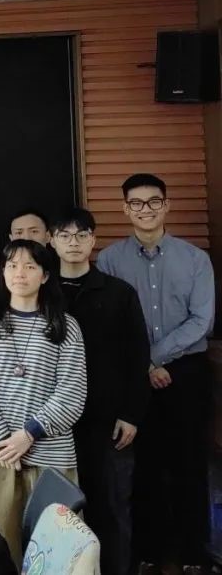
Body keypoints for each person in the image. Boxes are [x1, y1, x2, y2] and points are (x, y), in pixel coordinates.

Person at [97, 173, 215, 575]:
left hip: (187, 373)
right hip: (135, 376)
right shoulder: (110, 260)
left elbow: (202, 320)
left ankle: (195, 553)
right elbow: (112, 322)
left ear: (166, 205)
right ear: (125, 209)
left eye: (153, 201)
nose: (145, 209)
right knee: (142, 466)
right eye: (136, 202)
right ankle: (147, 552)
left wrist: (155, 358)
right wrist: (145, 365)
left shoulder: (195, 259)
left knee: (190, 464)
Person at [0, 239, 86, 562]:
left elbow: (73, 391)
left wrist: (29, 433)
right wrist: (5, 439)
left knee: (57, 549)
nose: (20, 273)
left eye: (30, 266)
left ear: (45, 275)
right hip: (0, 451)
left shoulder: (65, 326)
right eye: (12, 265)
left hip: (51, 451)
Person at [50, 207, 149, 575]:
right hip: (55, 425)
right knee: (59, 511)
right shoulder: (41, 292)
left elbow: (138, 357)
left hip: (108, 422)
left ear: (93, 240)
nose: (73, 242)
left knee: (112, 508)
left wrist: (131, 414)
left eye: (81, 235)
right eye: (64, 235)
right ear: (52, 241)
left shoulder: (119, 293)